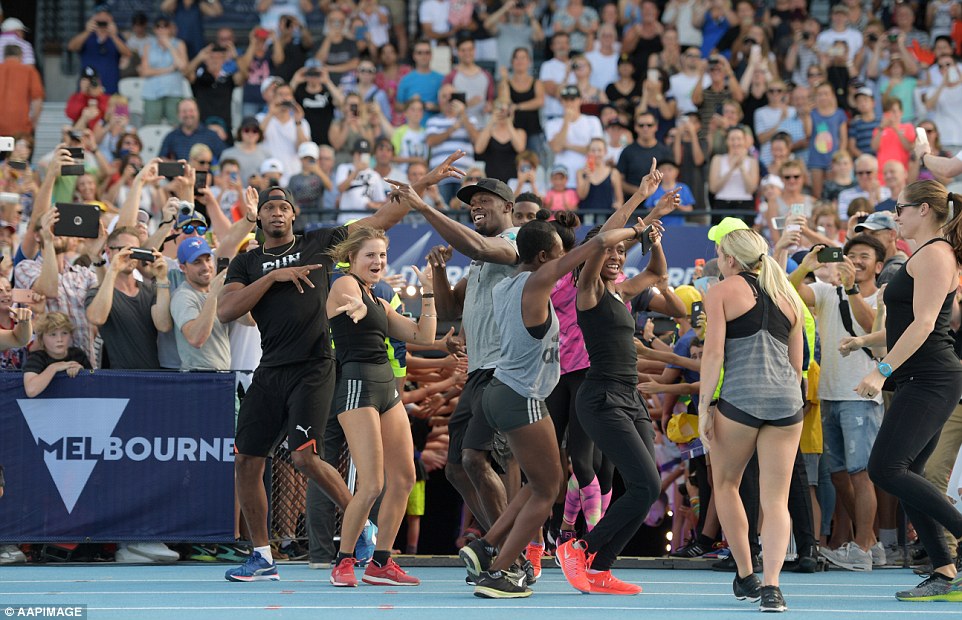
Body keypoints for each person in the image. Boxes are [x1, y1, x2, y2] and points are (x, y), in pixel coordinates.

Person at [217, 155, 463, 583]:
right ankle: (262, 556)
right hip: (269, 367)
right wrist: (274, 279)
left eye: (284, 207)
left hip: (316, 367)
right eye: (269, 207)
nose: (277, 211)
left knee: (305, 458)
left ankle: (360, 527)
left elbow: (382, 218)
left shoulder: (318, 243)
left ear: (295, 215)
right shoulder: (246, 263)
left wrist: (423, 182)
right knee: (246, 461)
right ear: (257, 217)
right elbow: (226, 311)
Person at [462, 216, 641, 598]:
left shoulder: (507, 284)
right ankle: (499, 572)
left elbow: (596, 243)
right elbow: (599, 242)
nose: (566, 261)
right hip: (519, 395)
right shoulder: (538, 281)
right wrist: (641, 229)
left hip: (500, 390)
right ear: (544, 257)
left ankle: (486, 546)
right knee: (548, 491)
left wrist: (638, 200)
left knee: (540, 480)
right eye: (560, 254)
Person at [843, 181, 962, 601]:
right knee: (906, 473)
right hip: (921, 377)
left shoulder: (934, 254)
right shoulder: (927, 254)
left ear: (925, 209)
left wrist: (882, 369)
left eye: (901, 207)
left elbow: (927, 323)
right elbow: (903, 322)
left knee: (886, 469)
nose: (896, 215)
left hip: (930, 377)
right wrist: (863, 342)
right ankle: (945, 571)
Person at [698, 228, 806, 612]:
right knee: (776, 500)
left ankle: (746, 573)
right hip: (786, 404)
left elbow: (713, 357)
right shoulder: (788, 296)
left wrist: (703, 407)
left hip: (741, 399)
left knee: (726, 484)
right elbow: (797, 366)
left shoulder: (721, 292)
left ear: (729, 259)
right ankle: (773, 587)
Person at [326, 227, 436, 588]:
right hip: (357, 387)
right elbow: (346, 302)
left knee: (404, 477)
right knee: (371, 483)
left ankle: (381, 562)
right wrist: (356, 306)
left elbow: (424, 336)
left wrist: (429, 292)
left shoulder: (380, 300)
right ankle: (343, 561)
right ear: (353, 259)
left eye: (383, 256)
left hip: (387, 389)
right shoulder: (345, 284)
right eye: (370, 255)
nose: (378, 261)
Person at [789, 234, 887, 572]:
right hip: (829, 395)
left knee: (861, 475)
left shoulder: (882, 297)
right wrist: (805, 267)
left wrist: (851, 289)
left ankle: (862, 547)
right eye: (851, 255)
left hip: (861, 396)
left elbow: (869, 328)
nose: (856, 261)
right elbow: (787, 292)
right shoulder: (825, 292)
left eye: (864, 256)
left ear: (878, 265)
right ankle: (869, 543)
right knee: (839, 475)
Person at [85, 227, 172, 369]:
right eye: (125, 250)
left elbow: (164, 325)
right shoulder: (98, 293)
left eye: (135, 251)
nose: (130, 256)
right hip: (120, 380)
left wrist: (162, 278)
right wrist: (113, 269)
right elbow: (96, 318)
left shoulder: (149, 290)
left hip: (154, 376)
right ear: (108, 252)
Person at [22, 312, 90, 398]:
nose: (59, 339)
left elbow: (94, 384)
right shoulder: (36, 358)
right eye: (52, 334)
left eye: (64, 333)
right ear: (41, 338)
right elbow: (31, 390)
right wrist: (53, 368)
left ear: (71, 335)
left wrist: (82, 372)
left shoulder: (78, 354)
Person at [66, 10, 131, 95]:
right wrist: (87, 31)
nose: (102, 23)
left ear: (111, 20)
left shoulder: (117, 37)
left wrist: (113, 36)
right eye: (99, 20)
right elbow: (71, 47)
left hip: (110, 88)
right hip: (87, 89)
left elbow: (128, 53)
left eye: (105, 20)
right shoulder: (87, 36)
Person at [158, 99, 227, 163]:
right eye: (184, 111)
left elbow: (225, 158)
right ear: (178, 115)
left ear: (198, 112)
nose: (188, 114)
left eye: (191, 111)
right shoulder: (171, 137)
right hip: (179, 175)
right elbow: (161, 160)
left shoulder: (211, 135)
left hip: (205, 175)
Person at [0, 45, 43, 142]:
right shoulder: (29, 71)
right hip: (20, 128)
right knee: (20, 157)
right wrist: (34, 123)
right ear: (21, 56)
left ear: (4, 55)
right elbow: (37, 100)